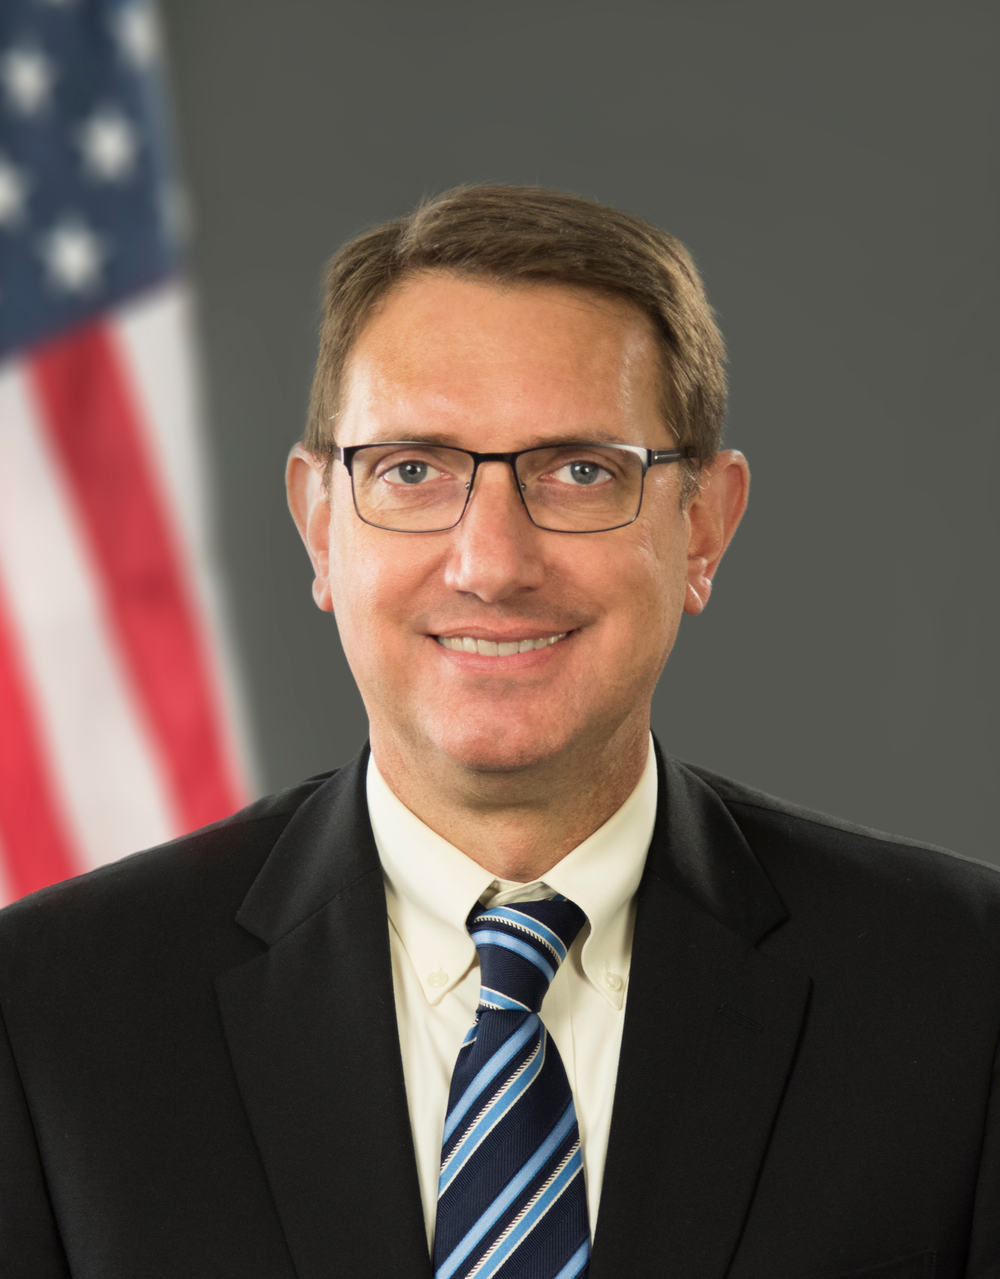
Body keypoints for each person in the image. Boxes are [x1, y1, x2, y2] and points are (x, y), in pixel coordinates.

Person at [0, 185, 997, 1279]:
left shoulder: (962, 989)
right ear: (320, 526)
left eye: (580, 471)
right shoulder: (49, 1013)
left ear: (703, 524)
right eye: (412, 471)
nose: (489, 562)